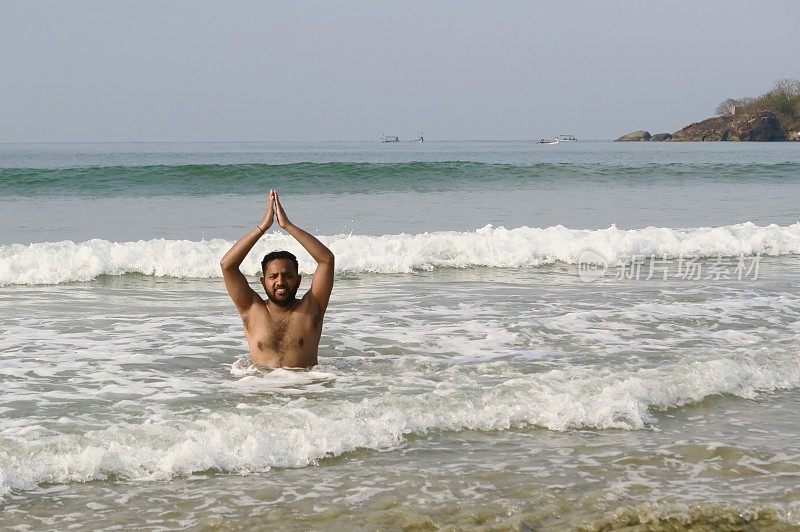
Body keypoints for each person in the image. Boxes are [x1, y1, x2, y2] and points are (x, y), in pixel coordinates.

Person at [220, 189, 334, 368]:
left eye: (287, 276)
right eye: (273, 276)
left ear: (298, 280)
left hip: (305, 392)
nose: (280, 282)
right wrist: (262, 227)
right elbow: (227, 265)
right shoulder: (251, 310)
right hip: (262, 391)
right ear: (263, 281)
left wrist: (287, 225)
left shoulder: (312, 309)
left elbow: (326, 260)